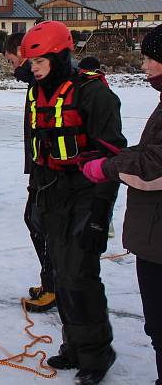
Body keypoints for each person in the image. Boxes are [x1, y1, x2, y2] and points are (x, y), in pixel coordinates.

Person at [21, 21, 125, 385]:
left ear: (59, 57)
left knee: (80, 274)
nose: (32, 68)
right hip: (51, 189)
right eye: (30, 61)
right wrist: (35, 195)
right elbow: (38, 149)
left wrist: (100, 214)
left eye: (39, 60)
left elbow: (113, 156)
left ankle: (98, 353)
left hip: (86, 192)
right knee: (61, 274)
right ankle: (75, 346)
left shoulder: (94, 95)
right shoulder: (38, 91)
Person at [82, 26, 162, 385]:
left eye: (148, 58)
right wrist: (124, 155)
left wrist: (107, 167)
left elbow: (153, 167)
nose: (143, 65)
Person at [5, 31, 57, 313]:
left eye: (13, 61)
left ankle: (53, 284)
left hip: (53, 172)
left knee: (42, 223)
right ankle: (50, 281)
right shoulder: (35, 85)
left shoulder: (50, 82)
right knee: (34, 220)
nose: (14, 69)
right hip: (40, 166)